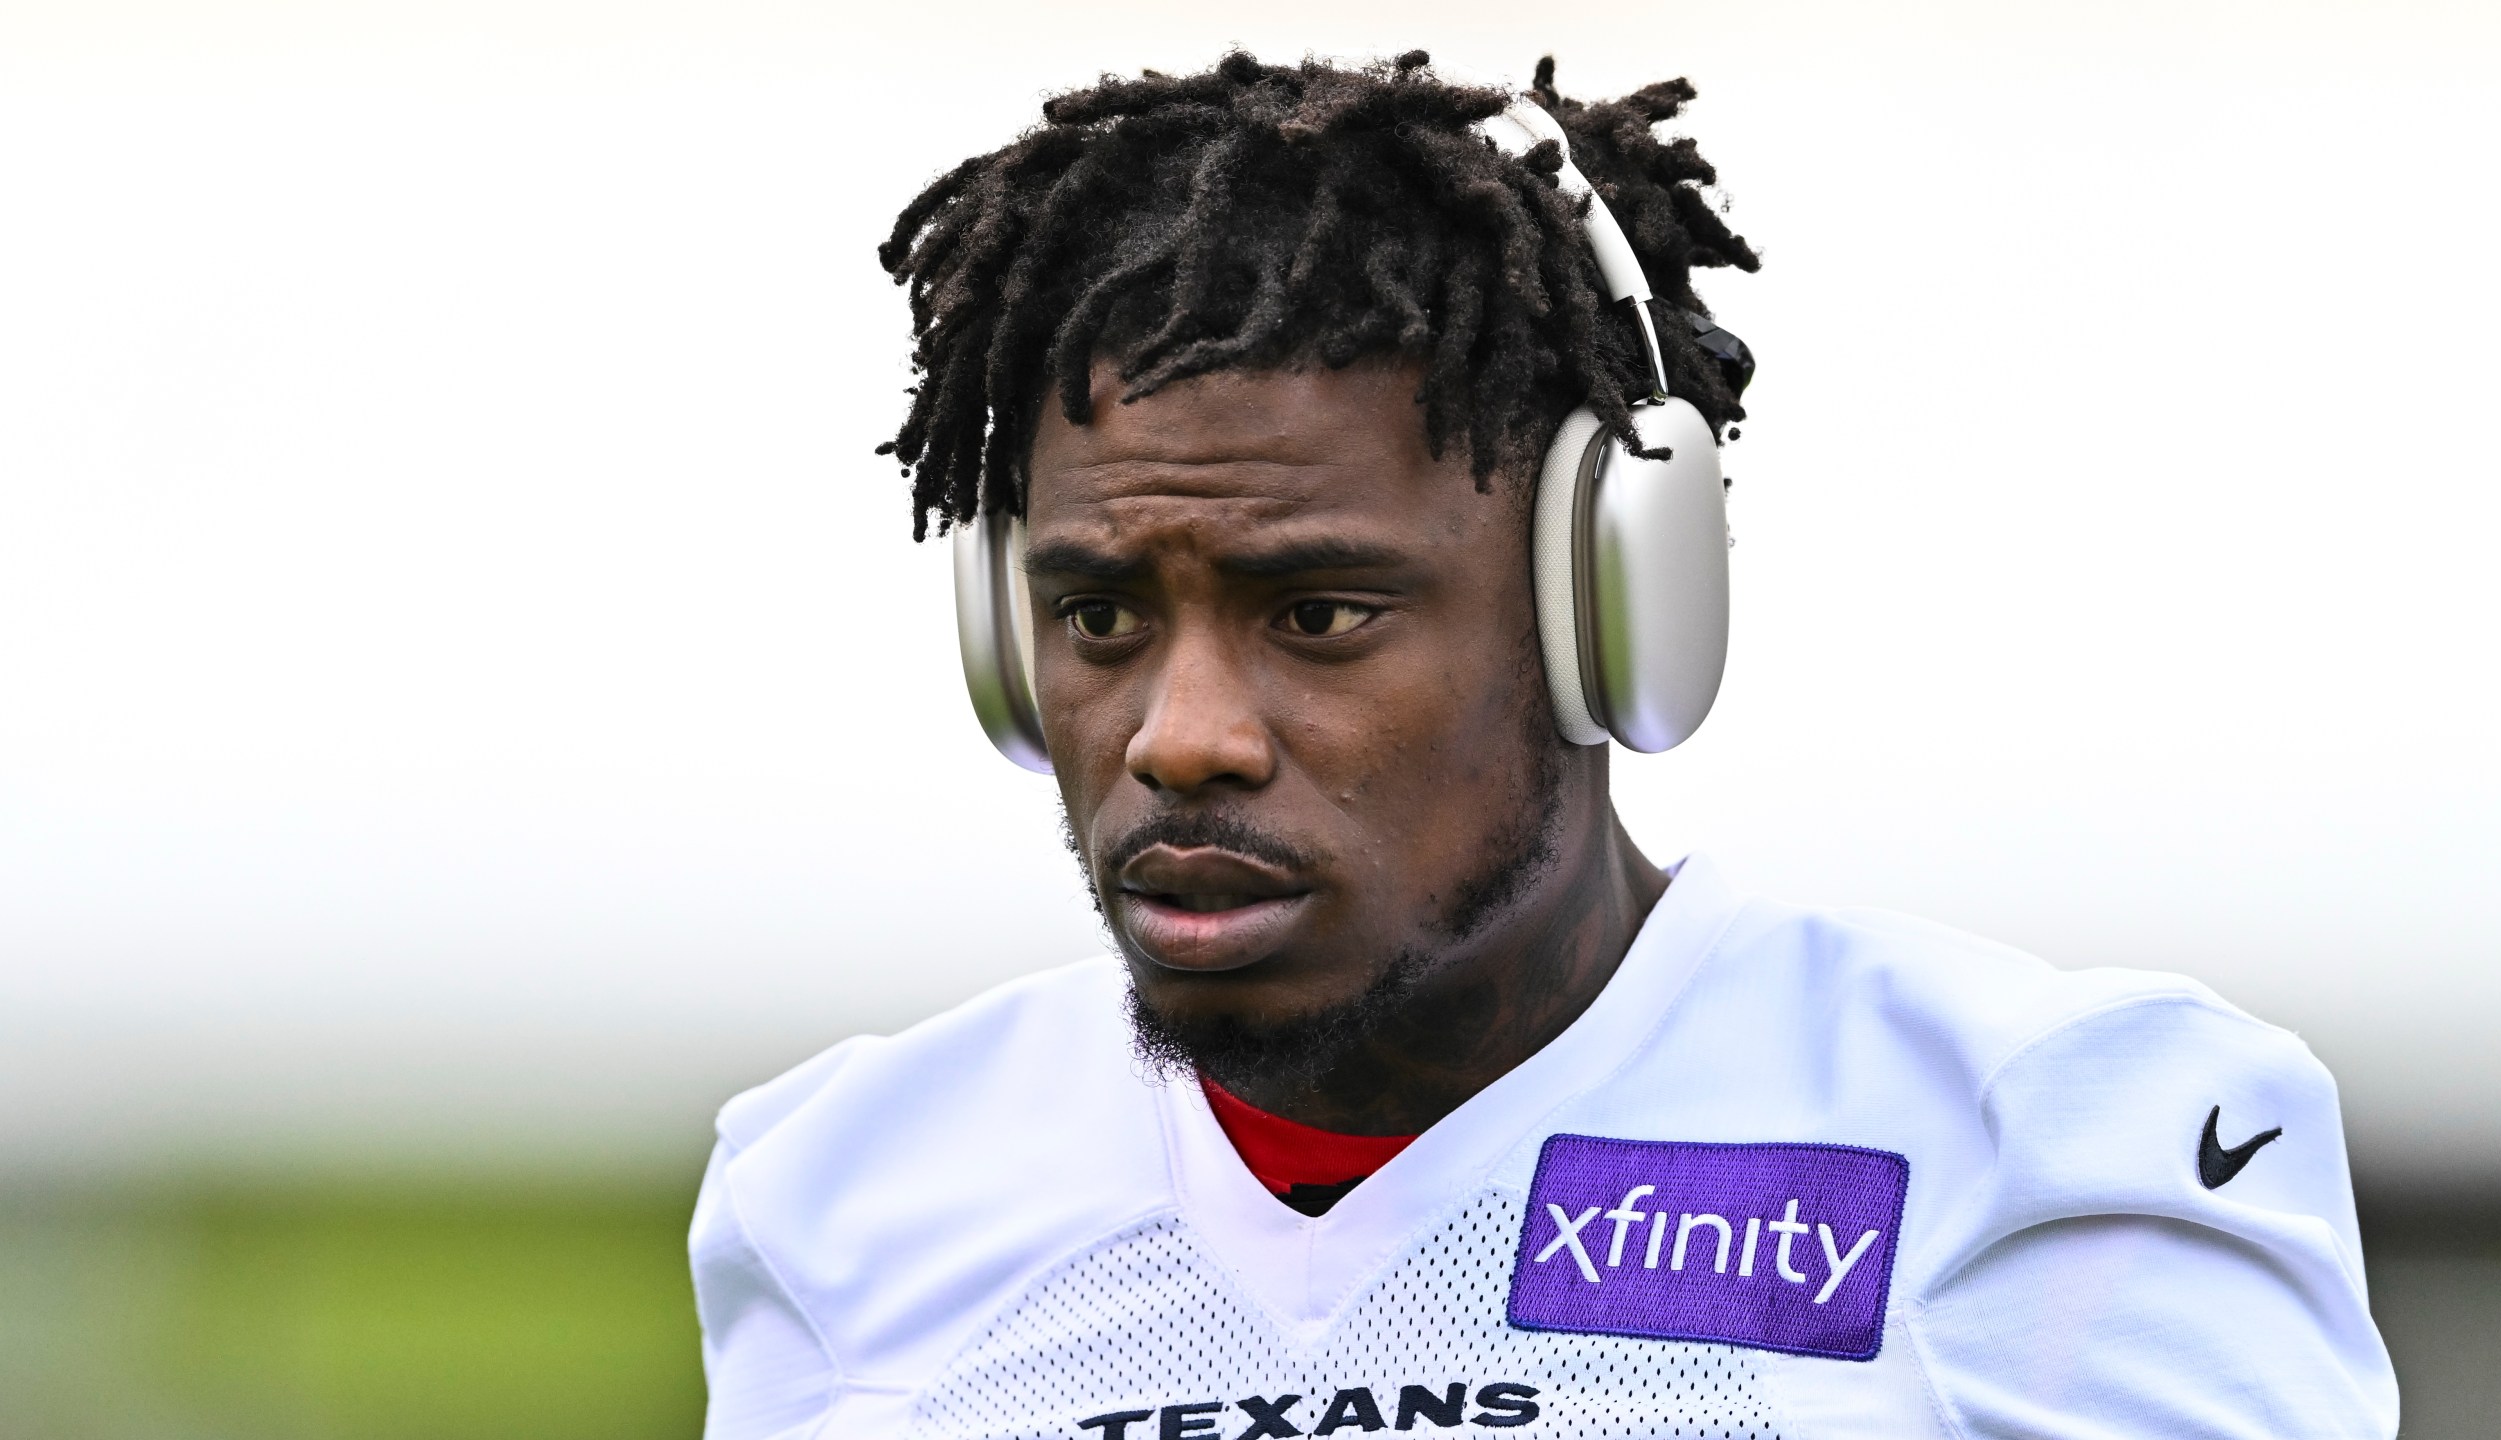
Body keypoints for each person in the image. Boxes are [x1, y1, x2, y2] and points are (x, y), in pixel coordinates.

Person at [687, 51, 2397, 1439]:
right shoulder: (840, 1195)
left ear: (1609, 611)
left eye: (1322, 614)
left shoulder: (2045, 1138)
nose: (1181, 737)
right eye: (1103, 620)